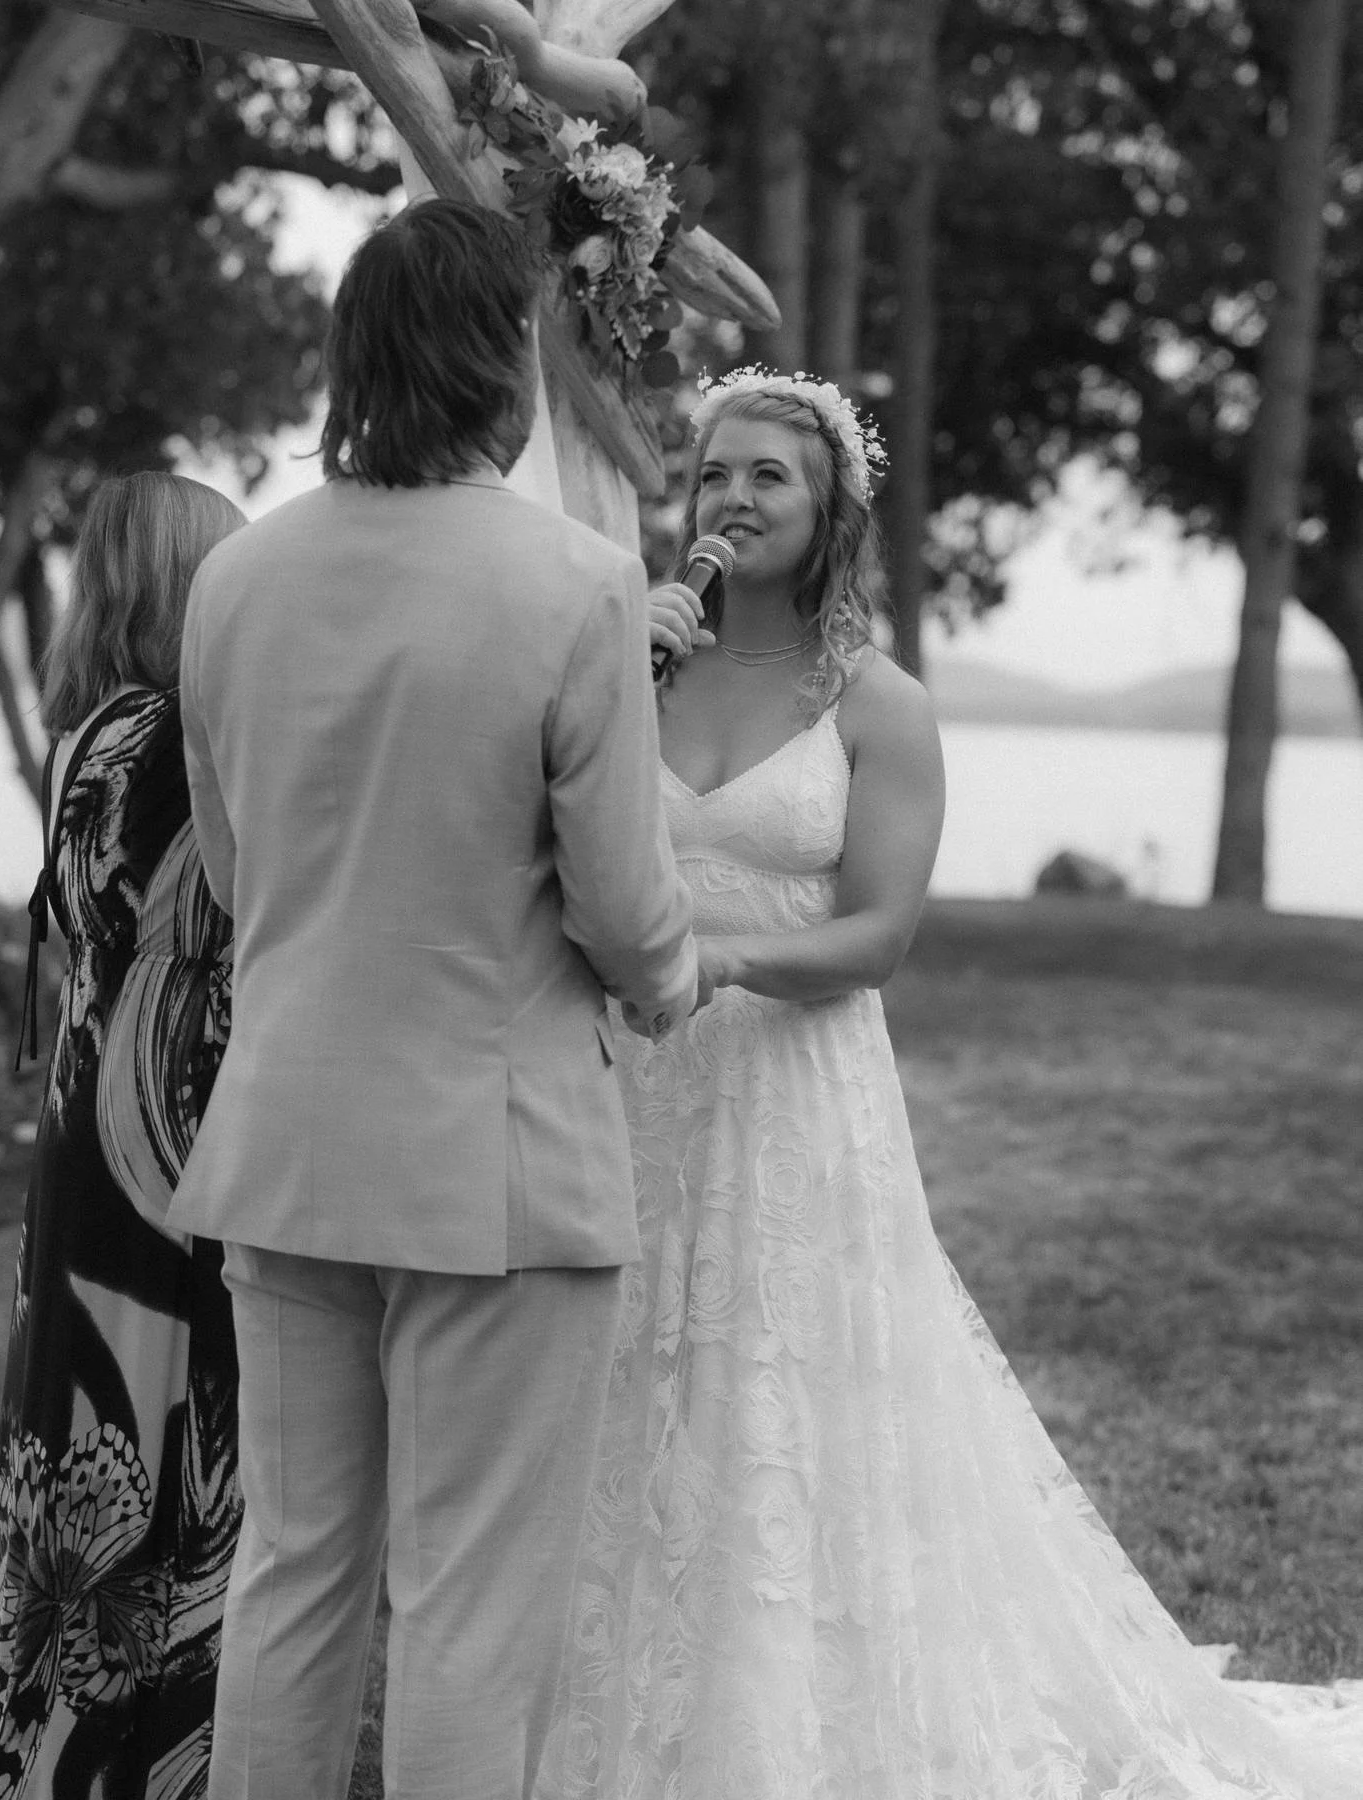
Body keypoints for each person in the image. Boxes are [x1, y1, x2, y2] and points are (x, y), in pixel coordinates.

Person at [539, 368, 1363, 1799]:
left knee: (780, 1392)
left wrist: (703, 961)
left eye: (767, 479)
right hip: (628, 1095)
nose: (731, 497)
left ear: (831, 510)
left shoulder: (878, 701)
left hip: (790, 1090)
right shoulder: (626, 661)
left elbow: (876, 934)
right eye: (715, 473)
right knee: (628, 1390)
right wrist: (624, 668)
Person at [166, 195, 699, 1800]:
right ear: (504, 363)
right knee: (473, 1607)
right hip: (495, 1158)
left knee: (293, 1573)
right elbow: (620, 905)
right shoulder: (577, 584)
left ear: (356, 358)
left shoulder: (238, 582)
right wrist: (669, 982)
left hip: (287, 1138)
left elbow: (233, 858)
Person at [0, 471, 244, 1800]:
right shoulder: (169, 744)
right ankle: (139, 1766)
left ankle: (38, 1763)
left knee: (88, 1430)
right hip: (161, 1157)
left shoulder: (95, 730)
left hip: (90, 1147)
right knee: (152, 1455)